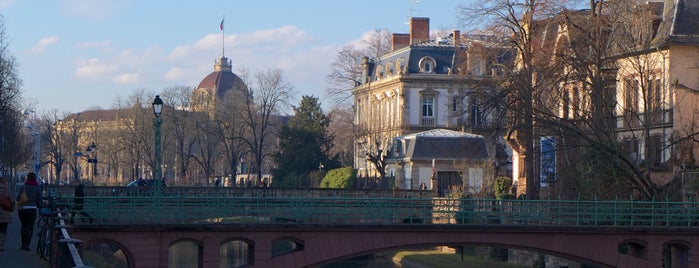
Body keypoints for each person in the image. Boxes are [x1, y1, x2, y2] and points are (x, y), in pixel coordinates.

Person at [16, 172, 41, 251]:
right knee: (30, 227)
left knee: (23, 226)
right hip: (32, 209)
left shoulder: (24, 187)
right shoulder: (37, 188)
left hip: (23, 209)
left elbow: (17, 198)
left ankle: (23, 244)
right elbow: (39, 200)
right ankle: (27, 245)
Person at [0, 177, 13, 251]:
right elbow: (12, 200)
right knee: (3, 230)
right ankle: (1, 245)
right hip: (5, 213)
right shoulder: (7, 190)